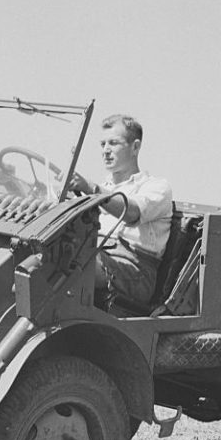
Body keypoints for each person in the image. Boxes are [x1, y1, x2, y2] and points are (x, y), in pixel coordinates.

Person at [68, 114, 173, 305]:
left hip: (134, 270)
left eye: (113, 143)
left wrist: (91, 190)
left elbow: (132, 213)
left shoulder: (156, 187)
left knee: (68, 263)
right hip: (97, 254)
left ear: (135, 147)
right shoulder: (102, 188)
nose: (106, 151)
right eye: (103, 144)